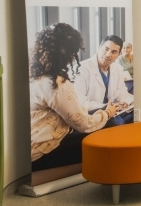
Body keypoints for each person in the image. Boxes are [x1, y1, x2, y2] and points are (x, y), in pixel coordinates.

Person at [29, 23, 117, 170]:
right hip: (41, 150)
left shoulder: (34, 74)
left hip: (30, 142)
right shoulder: (56, 83)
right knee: (111, 126)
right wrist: (107, 113)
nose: (108, 55)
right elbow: (83, 124)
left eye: (114, 52)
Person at [75, 34, 134, 126]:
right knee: (116, 122)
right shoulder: (81, 69)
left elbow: (122, 94)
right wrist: (106, 107)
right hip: (91, 115)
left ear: (118, 55)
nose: (108, 54)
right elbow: (81, 103)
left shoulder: (117, 69)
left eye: (114, 52)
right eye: (106, 49)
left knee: (136, 114)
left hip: (112, 112)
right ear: (99, 48)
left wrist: (133, 102)